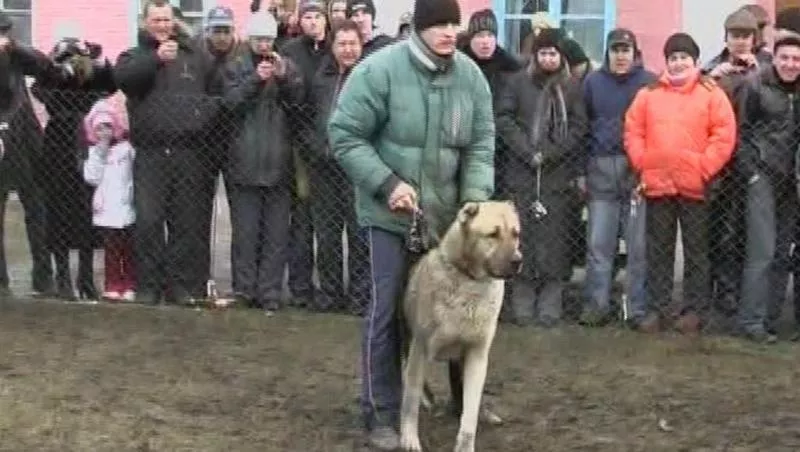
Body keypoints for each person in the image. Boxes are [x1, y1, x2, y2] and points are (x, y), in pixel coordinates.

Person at [328, 0, 495, 447]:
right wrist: (387, 184)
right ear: (419, 28)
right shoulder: (379, 71)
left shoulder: (471, 78)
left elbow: (480, 143)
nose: (448, 32)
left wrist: (475, 204)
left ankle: (465, 404)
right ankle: (380, 411)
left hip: (451, 218)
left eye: (453, 24)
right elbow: (344, 134)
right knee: (386, 310)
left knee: (465, 305)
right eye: (439, 23)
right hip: (387, 215)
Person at [623, 33, 736, 335]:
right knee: (658, 250)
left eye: (684, 57)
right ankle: (658, 310)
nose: (678, 63)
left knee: (697, 251)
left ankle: (695, 311)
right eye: (673, 58)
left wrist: (704, 168)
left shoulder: (711, 94)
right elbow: (633, 131)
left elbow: (724, 135)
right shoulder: (648, 95)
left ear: (695, 61)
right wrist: (643, 163)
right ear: (666, 61)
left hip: (696, 186)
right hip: (657, 184)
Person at [114, 0, 219, 305]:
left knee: (184, 223)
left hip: (188, 153)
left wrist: (200, 118)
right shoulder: (133, 56)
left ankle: (180, 287)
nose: (162, 25)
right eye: (156, 20)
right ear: (144, 22)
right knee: (148, 222)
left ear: (175, 21)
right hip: (150, 154)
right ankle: (149, 286)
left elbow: (215, 94)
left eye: (166, 19)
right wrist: (155, 59)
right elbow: (126, 81)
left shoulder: (194, 56)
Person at [496, 28, 587, 327]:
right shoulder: (517, 83)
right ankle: (522, 303)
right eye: (543, 53)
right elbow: (505, 119)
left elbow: (578, 127)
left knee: (555, 243)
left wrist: (550, 153)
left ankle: (550, 305)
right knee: (523, 239)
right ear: (535, 55)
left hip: (557, 176)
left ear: (561, 57)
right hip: (521, 175)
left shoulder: (572, 87)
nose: (548, 58)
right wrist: (527, 150)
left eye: (553, 53)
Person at [224, 10, 304, 312]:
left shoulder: (287, 67)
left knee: (276, 235)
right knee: (245, 233)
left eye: (268, 39)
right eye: (258, 39)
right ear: (249, 38)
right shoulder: (236, 66)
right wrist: (254, 81)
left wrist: (283, 78)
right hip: (244, 164)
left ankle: (270, 291)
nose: (263, 45)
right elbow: (229, 103)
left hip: (279, 163)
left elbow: (298, 101)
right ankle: (244, 290)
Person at [578, 29, 655, 330]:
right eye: (615, 50)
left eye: (626, 50)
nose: (620, 56)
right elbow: (582, 128)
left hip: (637, 171)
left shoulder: (649, 83)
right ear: (607, 52)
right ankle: (597, 305)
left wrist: (647, 169)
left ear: (635, 53)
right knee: (599, 244)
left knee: (637, 246)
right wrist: (581, 172)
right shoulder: (592, 83)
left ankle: (635, 308)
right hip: (600, 168)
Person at [31, 37, 116, 301]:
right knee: (57, 212)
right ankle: (63, 277)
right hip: (58, 147)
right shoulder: (51, 79)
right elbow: (40, 91)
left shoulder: (91, 80)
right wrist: (57, 70)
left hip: (85, 141)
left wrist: (98, 62)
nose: (74, 64)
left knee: (87, 212)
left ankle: (86, 278)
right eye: (69, 58)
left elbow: (110, 85)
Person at [0, 11, 69, 300]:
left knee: (37, 209)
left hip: (25, 140)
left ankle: (44, 277)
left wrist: (14, 49)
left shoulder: (15, 56)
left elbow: (46, 68)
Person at [736, 32, 800, 343]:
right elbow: (741, 133)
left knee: (780, 252)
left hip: (792, 181)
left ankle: (771, 318)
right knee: (761, 251)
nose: (791, 64)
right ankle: (752, 320)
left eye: (796, 59)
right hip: (762, 176)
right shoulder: (756, 85)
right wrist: (751, 173)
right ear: (773, 58)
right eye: (785, 58)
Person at [703, 9, 764, 324]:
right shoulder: (712, 68)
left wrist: (757, 76)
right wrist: (713, 79)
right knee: (717, 229)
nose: (740, 42)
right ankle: (719, 290)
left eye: (746, 36)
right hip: (720, 162)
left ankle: (741, 291)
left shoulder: (766, 68)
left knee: (746, 230)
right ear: (726, 38)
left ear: (755, 39)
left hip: (754, 160)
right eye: (735, 35)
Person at [307, 20, 369, 314]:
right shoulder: (320, 79)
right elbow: (306, 117)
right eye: (342, 44)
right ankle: (329, 293)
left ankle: (360, 298)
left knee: (358, 236)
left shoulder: (371, 79)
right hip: (324, 168)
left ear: (361, 45)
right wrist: (314, 146)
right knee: (327, 236)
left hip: (357, 171)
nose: (347, 50)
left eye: (352, 44)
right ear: (332, 47)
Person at [281, 0, 329, 309]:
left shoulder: (333, 50)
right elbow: (288, 99)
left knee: (326, 222)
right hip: (299, 146)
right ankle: (300, 287)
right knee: (301, 220)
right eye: (307, 17)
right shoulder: (290, 52)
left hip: (329, 144)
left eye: (317, 16)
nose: (313, 22)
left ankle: (329, 287)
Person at [82, 100, 136, 302]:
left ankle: (130, 283)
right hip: (107, 211)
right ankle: (113, 284)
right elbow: (91, 177)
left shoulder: (126, 149)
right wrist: (99, 154)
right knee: (111, 251)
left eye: (107, 127)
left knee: (129, 250)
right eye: (99, 128)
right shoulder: (94, 153)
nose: (103, 132)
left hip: (127, 207)